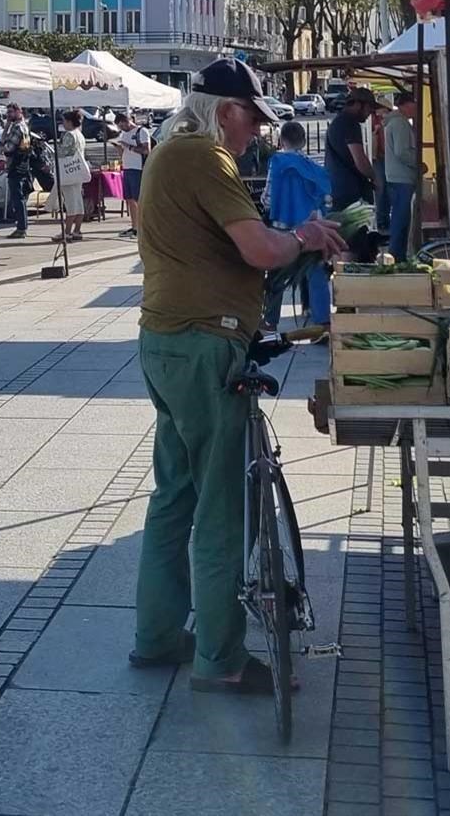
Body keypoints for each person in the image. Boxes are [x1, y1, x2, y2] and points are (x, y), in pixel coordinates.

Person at [132, 58, 346, 695]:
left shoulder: (172, 151)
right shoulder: (205, 155)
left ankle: (158, 637)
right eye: (252, 117)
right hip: (205, 340)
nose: (255, 130)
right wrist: (304, 236)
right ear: (225, 110)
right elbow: (258, 248)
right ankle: (220, 659)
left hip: (167, 336)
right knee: (221, 504)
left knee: (174, 496)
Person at [265, 119, 332, 325]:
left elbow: (268, 198)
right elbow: (327, 199)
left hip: (281, 229)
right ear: (304, 141)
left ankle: (270, 320)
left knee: (276, 276)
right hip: (311, 229)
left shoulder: (277, 163)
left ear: (282, 140)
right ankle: (322, 319)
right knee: (316, 273)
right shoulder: (315, 168)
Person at [380, 91, 420, 258]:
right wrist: (419, 164)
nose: (416, 108)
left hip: (395, 176)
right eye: (415, 104)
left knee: (399, 217)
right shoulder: (400, 123)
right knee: (401, 219)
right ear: (406, 105)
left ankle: (397, 254)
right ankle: (397, 255)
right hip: (401, 177)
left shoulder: (396, 122)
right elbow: (402, 151)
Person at [325, 86, 377, 212]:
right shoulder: (350, 123)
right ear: (359, 105)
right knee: (355, 230)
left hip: (336, 188)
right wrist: (375, 178)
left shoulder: (339, 121)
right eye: (369, 109)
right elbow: (360, 160)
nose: (370, 114)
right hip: (349, 192)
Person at [117, 109, 154, 237]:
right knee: (130, 199)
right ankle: (134, 227)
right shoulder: (123, 134)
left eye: (123, 125)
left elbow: (146, 150)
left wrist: (129, 146)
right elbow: (124, 150)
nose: (122, 128)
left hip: (138, 168)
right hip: (127, 167)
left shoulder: (141, 131)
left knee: (139, 199)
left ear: (128, 121)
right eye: (120, 126)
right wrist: (120, 148)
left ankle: (145, 226)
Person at [0, 103, 34, 238]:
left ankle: (21, 228)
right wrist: (7, 126)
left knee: (17, 198)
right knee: (20, 198)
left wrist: (3, 144)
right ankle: (22, 226)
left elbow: (7, 147)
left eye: (11, 112)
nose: (8, 115)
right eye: (7, 113)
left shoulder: (18, 128)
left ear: (19, 112)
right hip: (23, 165)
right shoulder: (23, 126)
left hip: (16, 166)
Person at [55, 109, 89, 242]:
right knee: (78, 202)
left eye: (64, 121)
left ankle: (67, 232)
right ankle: (77, 230)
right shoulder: (80, 134)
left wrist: (56, 149)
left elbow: (64, 153)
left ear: (69, 122)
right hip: (77, 170)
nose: (63, 124)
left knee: (70, 203)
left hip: (68, 171)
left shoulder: (69, 135)